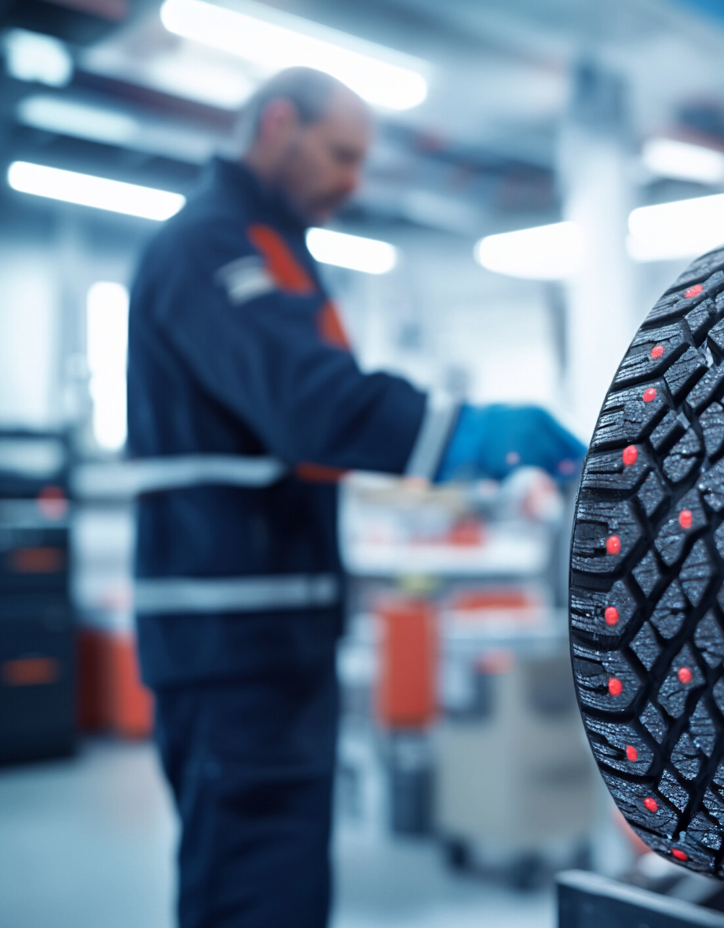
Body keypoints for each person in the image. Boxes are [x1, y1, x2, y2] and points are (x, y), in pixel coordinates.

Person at [126, 67, 583, 928]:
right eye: (339, 154)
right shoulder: (210, 247)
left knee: (283, 877)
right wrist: (469, 435)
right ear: (276, 122)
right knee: (256, 888)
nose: (351, 181)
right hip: (233, 647)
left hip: (272, 639)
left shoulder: (271, 245)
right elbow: (314, 407)